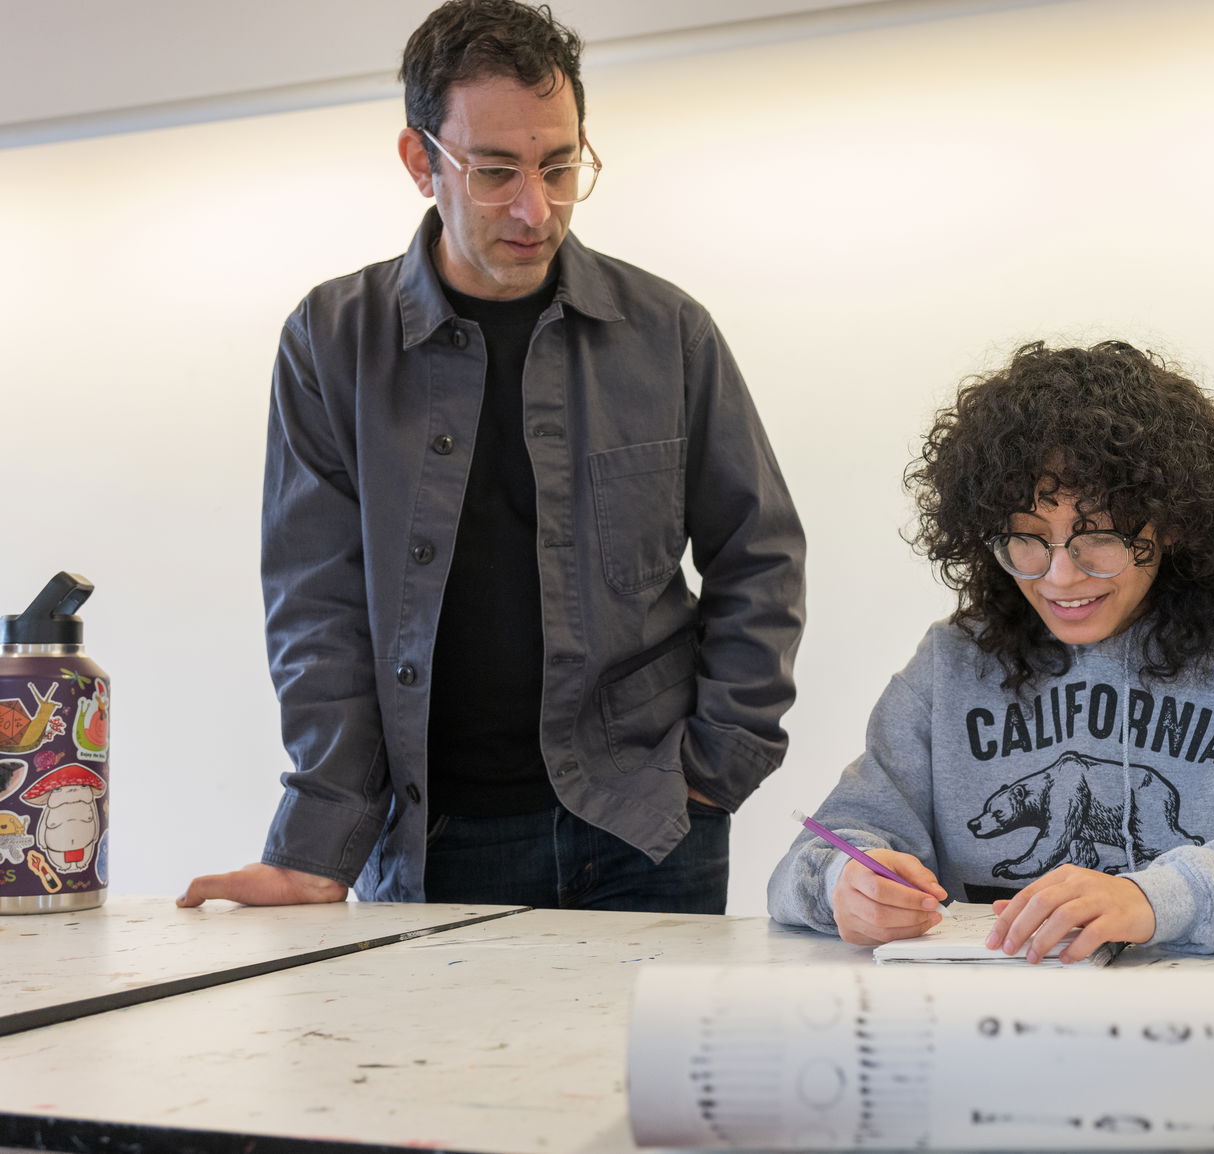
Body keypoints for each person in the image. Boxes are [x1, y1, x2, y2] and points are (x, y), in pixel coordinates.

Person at [180, 0, 803, 912]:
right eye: (496, 171)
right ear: (419, 161)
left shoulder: (668, 331)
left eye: (560, 166)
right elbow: (317, 608)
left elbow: (761, 556)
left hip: (648, 830)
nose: (534, 207)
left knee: (647, 1065)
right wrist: (321, 843)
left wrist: (715, 772)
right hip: (441, 843)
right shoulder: (331, 340)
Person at [767, 340, 1214, 961]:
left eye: (1099, 536)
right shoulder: (950, 663)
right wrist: (841, 886)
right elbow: (811, 861)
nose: (1060, 576)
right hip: (985, 1038)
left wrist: (1159, 897)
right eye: (1026, 539)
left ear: (1174, 523)